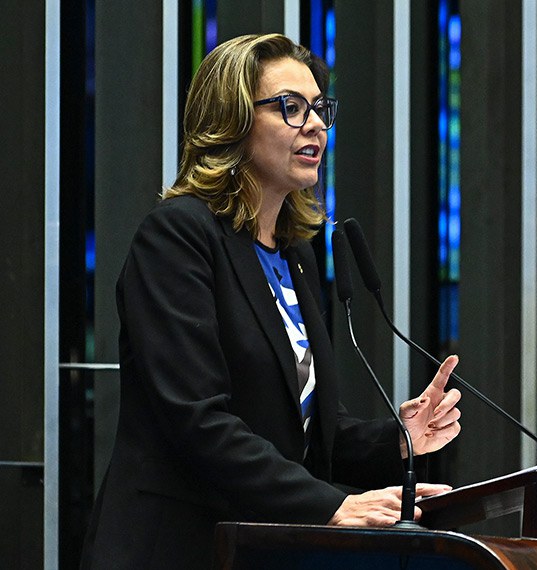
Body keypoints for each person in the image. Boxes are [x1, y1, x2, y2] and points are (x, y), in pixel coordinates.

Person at [80, 33, 462, 569]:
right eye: (290, 107)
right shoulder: (177, 237)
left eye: (320, 108)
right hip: (178, 547)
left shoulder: (295, 254)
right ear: (232, 120)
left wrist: (398, 440)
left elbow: (301, 428)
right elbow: (197, 420)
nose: (315, 125)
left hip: (262, 549)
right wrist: (333, 506)